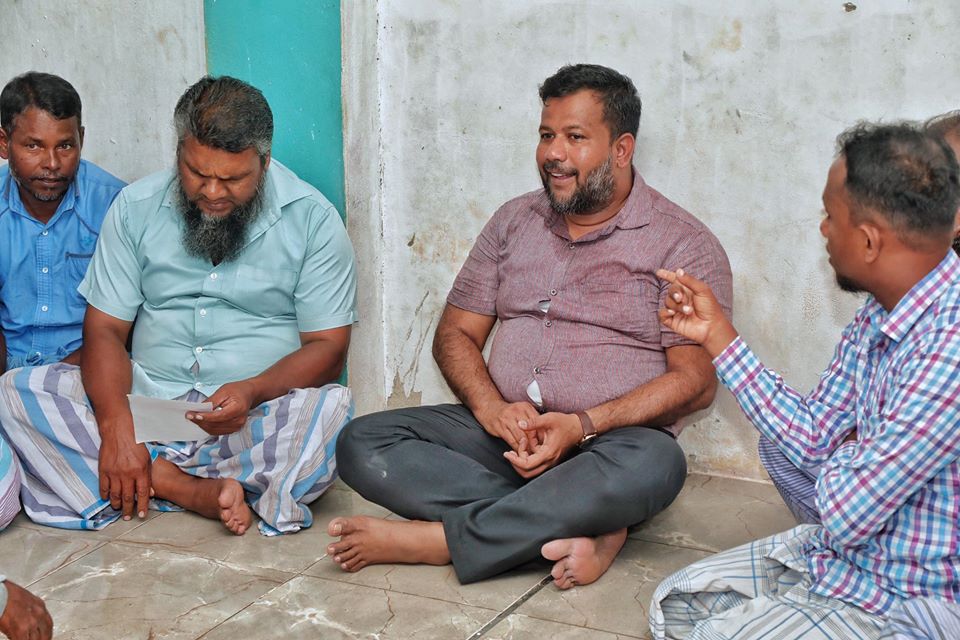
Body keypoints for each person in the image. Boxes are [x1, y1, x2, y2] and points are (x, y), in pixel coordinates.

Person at [328, 64, 732, 588]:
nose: (553, 153)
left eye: (575, 137)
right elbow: (455, 334)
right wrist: (492, 409)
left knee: (657, 464)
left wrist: (581, 425)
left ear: (622, 149)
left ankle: (443, 541)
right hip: (507, 439)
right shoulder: (513, 221)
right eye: (546, 135)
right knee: (362, 442)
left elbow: (696, 384)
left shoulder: (682, 244)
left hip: (609, 445)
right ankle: (587, 524)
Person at [0, 76, 357, 536]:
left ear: (264, 163)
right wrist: (116, 426)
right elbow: (105, 330)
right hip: (145, 405)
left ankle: (147, 478)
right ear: (178, 152)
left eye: (232, 179)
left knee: (330, 413)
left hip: (250, 419)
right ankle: (181, 485)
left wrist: (252, 390)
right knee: (18, 391)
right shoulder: (135, 207)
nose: (212, 192)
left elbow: (328, 347)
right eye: (197, 173)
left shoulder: (313, 221)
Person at [650, 122, 960, 638]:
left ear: (868, 241)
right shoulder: (879, 312)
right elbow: (813, 435)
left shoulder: (949, 346)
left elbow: (849, 511)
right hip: (850, 557)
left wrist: (849, 450)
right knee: (674, 604)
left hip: (908, 598)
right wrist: (717, 336)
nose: (823, 230)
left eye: (830, 216)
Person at [758, 109, 960, 526]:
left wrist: (860, 448)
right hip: (875, 487)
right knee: (782, 443)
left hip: (923, 525)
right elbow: (818, 429)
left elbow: (859, 491)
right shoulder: (891, 295)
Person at [0, 71, 125, 373]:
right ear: (4, 143)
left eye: (65, 146)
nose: (52, 163)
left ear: (82, 138)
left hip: (88, 368)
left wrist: (51, 379)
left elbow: (129, 321)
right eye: (33, 146)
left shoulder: (116, 206)